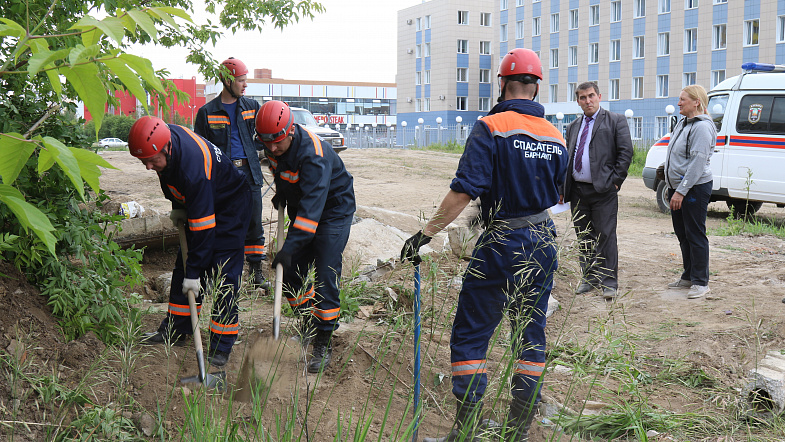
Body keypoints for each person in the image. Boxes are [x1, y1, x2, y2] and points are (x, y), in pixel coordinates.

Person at [401, 48, 568, 442]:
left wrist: (424, 234)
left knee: (472, 335)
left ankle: (468, 431)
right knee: (530, 333)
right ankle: (517, 430)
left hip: (502, 242)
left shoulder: (490, 125)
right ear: (536, 85)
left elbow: (463, 191)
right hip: (543, 239)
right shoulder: (557, 134)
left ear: (502, 83)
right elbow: (556, 193)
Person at [132, 116, 251, 368]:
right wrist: (179, 206)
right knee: (184, 266)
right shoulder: (164, 141)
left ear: (167, 148)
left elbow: (204, 228)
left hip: (230, 205)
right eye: (144, 161)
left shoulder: (194, 167)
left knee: (223, 272)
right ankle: (176, 330)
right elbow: (172, 179)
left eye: (152, 161)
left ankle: (221, 345)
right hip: (202, 200)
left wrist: (195, 273)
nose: (148, 167)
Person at [255, 100, 356, 373]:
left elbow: (312, 212)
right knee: (289, 273)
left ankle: (323, 341)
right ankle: (309, 323)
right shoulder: (274, 145)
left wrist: (289, 247)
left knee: (325, 272)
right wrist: (283, 192)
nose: (272, 148)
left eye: (277, 142)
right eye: (267, 143)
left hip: (333, 211)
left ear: (290, 132)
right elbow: (284, 171)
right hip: (306, 206)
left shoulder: (313, 154)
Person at [194, 57, 268, 288]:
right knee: (224, 224)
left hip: (250, 173)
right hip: (223, 177)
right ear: (227, 81)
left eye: (245, 81)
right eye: (241, 81)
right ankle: (222, 273)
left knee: (254, 223)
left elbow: (262, 138)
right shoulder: (207, 113)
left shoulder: (252, 107)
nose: (245, 85)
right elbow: (201, 152)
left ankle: (256, 273)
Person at [562, 82, 633, 300]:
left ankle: (609, 282)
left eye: (591, 96)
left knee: (606, 236)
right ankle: (589, 278)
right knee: (584, 237)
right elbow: (569, 157)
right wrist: (563, 188)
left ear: (599, 96)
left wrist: (615, 181)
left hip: (603, 191)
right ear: (578, 101)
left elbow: (625, 152)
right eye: (583, 97)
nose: (588, 101)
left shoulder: (615, 121)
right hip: (578, 191)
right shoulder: (573, 126)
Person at [665, 85, 715, 299]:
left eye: (683, 99)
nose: (679, 103)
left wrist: (681, 191)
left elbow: (697, 163)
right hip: (679, 188)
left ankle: (701, 282)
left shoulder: (702, 128)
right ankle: (688, 276)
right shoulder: (684, 124)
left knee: (695, 234)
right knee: (683, 234)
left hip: (694, 188)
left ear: (696, 102)